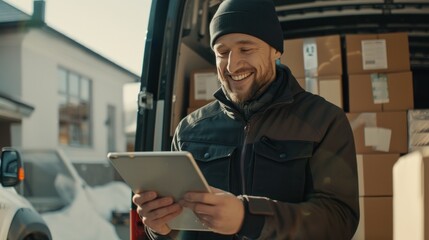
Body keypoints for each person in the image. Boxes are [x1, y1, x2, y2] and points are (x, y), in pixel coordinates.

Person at [132, 0, 359, 239]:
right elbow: (179, 230)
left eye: (246, 49)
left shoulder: (323, 121)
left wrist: (248, 218)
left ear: (276, 50)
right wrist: (161, 228)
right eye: (222, 52)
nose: (232, 64)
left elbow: (339, 220)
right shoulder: (189, 131)